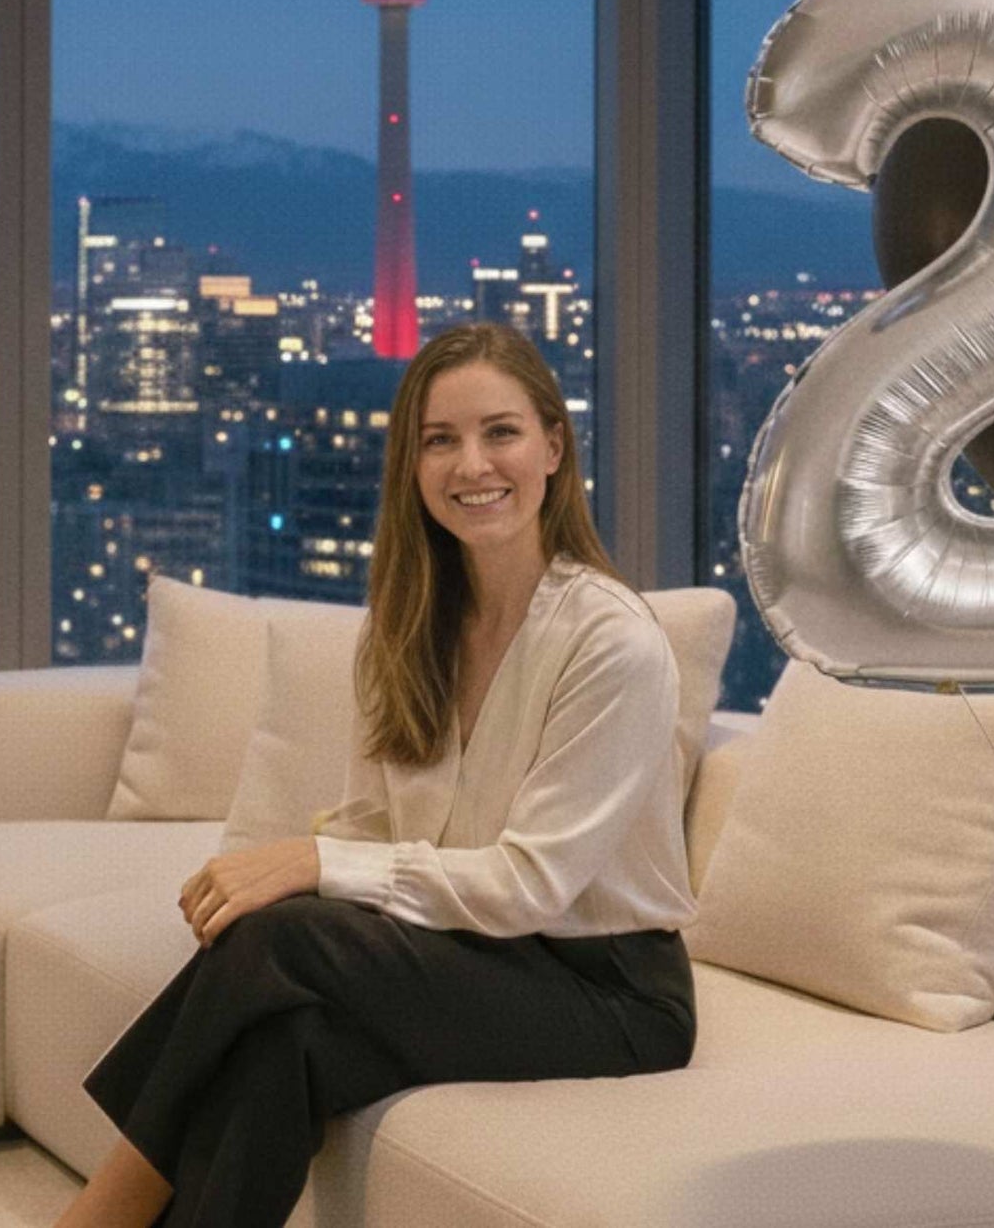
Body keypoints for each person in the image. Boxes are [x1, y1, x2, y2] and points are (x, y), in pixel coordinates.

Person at [56, 322, 698, 1228]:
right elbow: (381, 822)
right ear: (411, 464)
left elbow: (529, 884)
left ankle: (99, 1213)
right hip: (476, 952)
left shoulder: (612, 642)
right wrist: (305, 874)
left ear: (554, 446)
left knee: (279, 940)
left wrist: (309, 866)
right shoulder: (412, 625)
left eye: (501, 432)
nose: (472, 463)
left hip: (610, 994)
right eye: (440, 440)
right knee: (286, 1038)